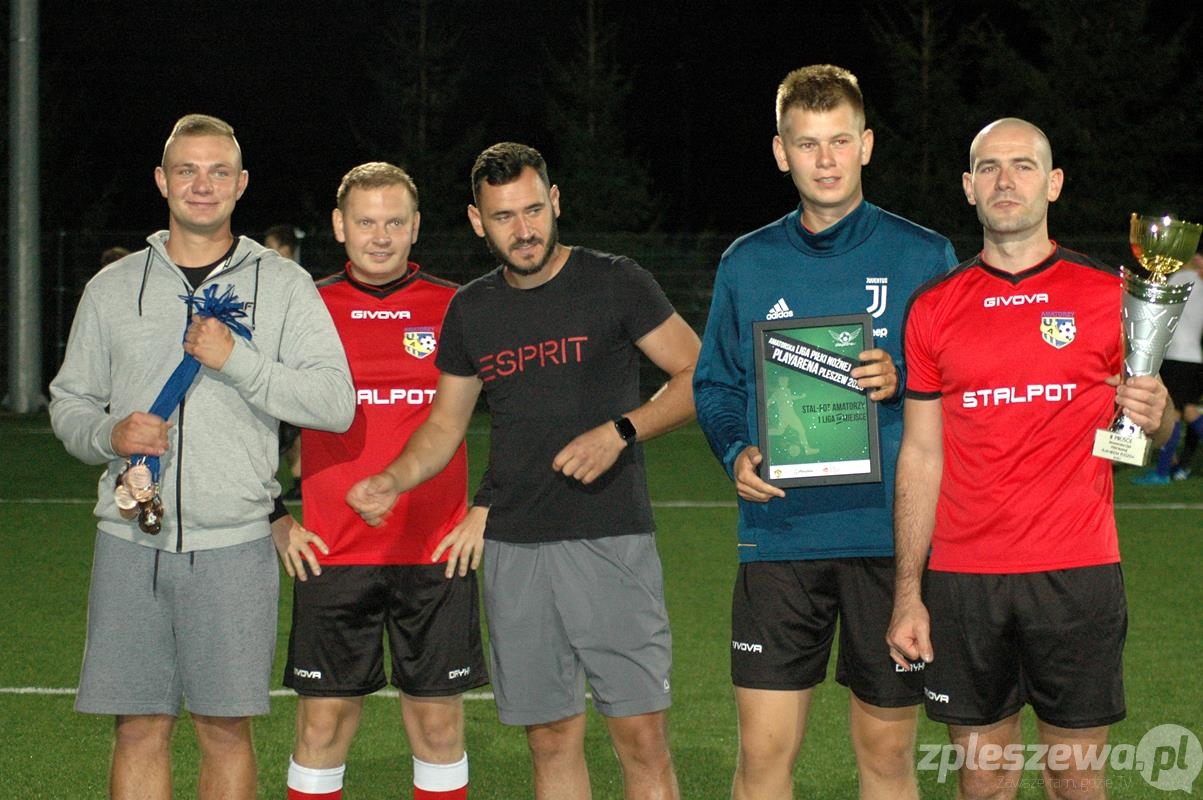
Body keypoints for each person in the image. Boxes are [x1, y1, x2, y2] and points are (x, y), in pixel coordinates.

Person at [346, 142, 700, 800]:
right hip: (514, 550)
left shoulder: (615, 281)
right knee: (550, 740)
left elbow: (697, 374)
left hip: (610, 539)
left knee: (641, 739)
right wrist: (394, 478)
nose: (524, 229)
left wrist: (621, 431)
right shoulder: (472, 309)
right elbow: (444, 426)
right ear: (477, 221)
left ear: (555, 201)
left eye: (533, 210)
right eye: (504, 216)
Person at [48, 113, 355, 800]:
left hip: (236, 545)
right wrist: (110, 434)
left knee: (224, 730)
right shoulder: (112, 287)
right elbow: (68, 404)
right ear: (162, 180)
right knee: (138, 728)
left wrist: (237, 360)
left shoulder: (282, 284)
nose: (202, 184)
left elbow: (335, 403)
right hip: (129, 537)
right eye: (187, 170)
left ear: (241, 184)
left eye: (219, 171)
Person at [692, 64, 958, 800]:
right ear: (781, 152)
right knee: (762, 759)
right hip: (780, 536)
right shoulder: (747, 262)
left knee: (886, 758)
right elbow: (714, 383)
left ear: (866, 144)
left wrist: (904, 377)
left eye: (840, 140)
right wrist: (733, 450)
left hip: (888, 540)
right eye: (807, 144)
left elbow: (960, 383)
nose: (826, 160)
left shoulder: (922, 255)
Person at [887, 118, 1169, 800]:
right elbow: (920, 454)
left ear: (1053, 183)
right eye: (988, 167)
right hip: (964, 579)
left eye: (1022, 165)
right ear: (967, 187)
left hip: (1076, 572)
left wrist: (1155, 416)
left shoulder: (1110, 296)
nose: (1004, 180)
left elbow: (1140, 435)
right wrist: (907, 593)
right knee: (983, 779)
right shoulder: (933, 307)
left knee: (1075, 778)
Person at [270, 162, 489, 800]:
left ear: (416, 226)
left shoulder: (459, 306)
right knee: (322, 726)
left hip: (436, 551)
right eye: (366, 222)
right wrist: (274, 515)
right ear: (339, 226)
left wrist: (486, 507)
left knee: (438, 727)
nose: (381, 236)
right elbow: (254, 415)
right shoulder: (305, 307)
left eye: (395, 222)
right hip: (332, 552)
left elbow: (526, 412)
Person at [1131, 251, 1203, 485]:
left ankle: (1162, 473)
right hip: (1193, 357)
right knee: (1185, 412)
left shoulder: (1181, 279)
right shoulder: (1199, 281)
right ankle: (1164, 470)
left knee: (1175, 414)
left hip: (1176, 357)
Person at [264, 224, 306, 499]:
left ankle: (300, 479)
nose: (266, 251)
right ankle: (295, 479)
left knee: (292, 429)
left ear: (285, 249)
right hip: (278, 365)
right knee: (287, 430)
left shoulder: (296, 281)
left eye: (271, 246)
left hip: (290, 366)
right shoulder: (272, 280)